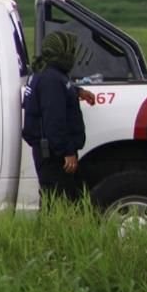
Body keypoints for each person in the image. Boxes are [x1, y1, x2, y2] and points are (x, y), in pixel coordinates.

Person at [21, 31, 88, 204]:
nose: (72, 54)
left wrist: (77, 92)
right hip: (53, 155)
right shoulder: (51, 78)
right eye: (70, 50)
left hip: (48, 150)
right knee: (58, 201)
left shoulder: (45, 71)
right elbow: (54, 119)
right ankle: (52, 231)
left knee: (55, 198)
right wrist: (66, 151)